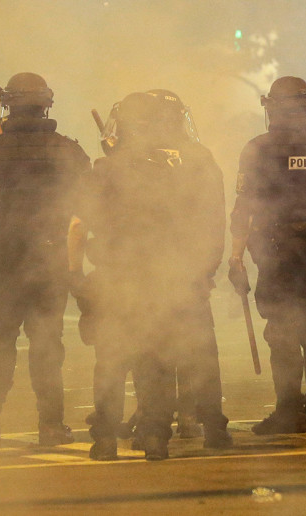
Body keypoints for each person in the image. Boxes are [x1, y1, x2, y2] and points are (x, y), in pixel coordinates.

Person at [69, 90, 230, 461]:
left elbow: (79, 224)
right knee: (192, 354)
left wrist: (75, 275)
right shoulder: (201, 161)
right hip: (183, 278)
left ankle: (105, 440)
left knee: (112, 358)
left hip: (119, 280)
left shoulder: (108, 167)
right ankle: (194, 433)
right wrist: (206, 270)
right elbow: (214, 222)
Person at [0, 73, 90, 449]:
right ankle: (51, 426)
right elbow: (87, 211)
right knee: (48, 348)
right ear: (46, 103)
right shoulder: (68, 151)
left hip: (1, 268)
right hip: (49, 266)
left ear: (9, 104)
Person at [228, 76, 306, 433]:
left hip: (276, 250)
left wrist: (236, 257)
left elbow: (244, 208)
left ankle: (287, 412)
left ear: (271, 109)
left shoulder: (257, 149)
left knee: (281, 329)